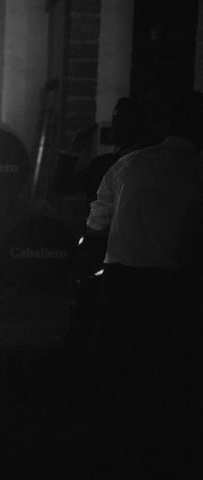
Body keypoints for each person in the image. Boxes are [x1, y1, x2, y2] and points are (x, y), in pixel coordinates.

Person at [86, 90, 203, 476]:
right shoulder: (196, 171)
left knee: (118, 372)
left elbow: (96, 225)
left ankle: (110, 454)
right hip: (176, 288)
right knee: (166, 376)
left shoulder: (130, 165)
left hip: (123, 283)